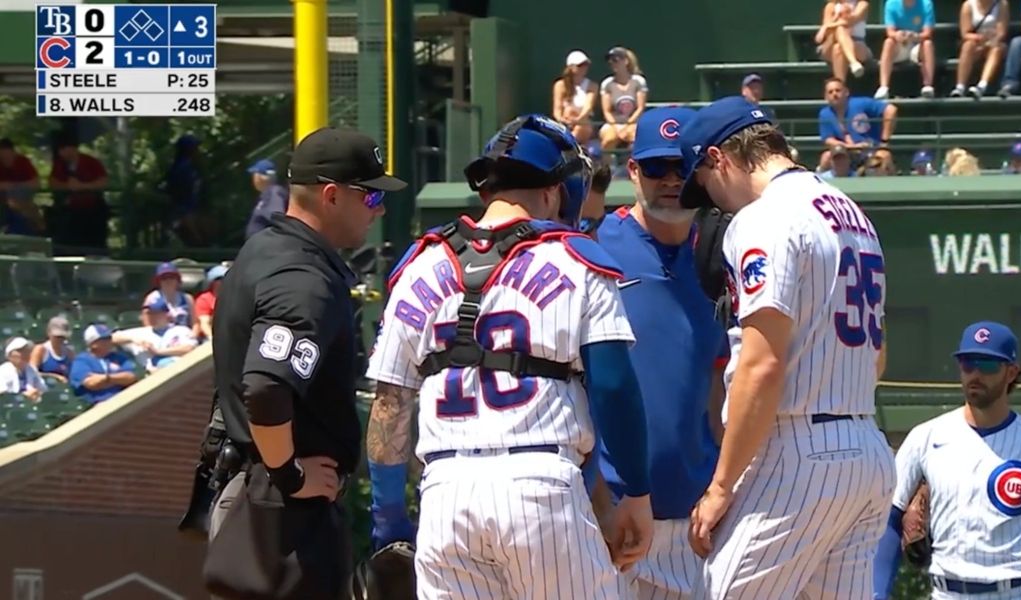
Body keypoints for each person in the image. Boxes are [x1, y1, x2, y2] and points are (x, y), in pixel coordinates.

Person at [364, 114, 654, 599]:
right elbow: (613, 387)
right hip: (540, 486)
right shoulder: (577, 257)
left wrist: (389, 522)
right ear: (558, 190)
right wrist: (635, 493)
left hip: (446, 491)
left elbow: (390, 405)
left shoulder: (418, 266)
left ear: (486, 190)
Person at [676, 95, 894, 599]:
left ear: (718, 158)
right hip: (866, 445)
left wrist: (721, 486)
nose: (713, 202)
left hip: (800, 450)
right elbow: (880, 356)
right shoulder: (852, 213)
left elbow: (762, 364)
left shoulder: (764, 217)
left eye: (706, 185)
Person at [205, 127, 404, 599]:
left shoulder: (263, 249)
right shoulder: (304, 276)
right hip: (281, 513)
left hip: (255, 494)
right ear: (332, 195)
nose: (379, 211)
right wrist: (291, 475)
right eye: (371, 197)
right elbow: (266, 386)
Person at [593, 107, 727, 599]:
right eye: (655, 168)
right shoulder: (594, 249)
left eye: (681, 167)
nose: (671, 180)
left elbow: (719, 385)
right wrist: (597, 498)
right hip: (613, 514)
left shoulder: (721, 256)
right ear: (633, 172)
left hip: (696, 520)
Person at [873, 321, 1021, 600]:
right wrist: (877, 592)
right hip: (947, 592)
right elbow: (889, 519)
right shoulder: (926, 437)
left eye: (988, 365)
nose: (975, 374)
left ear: (1012, 372)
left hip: (1019, 591)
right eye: (968, 364)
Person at [818, 77, 898, 173]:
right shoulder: (825, 114)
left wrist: (884, 140)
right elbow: (828, 140)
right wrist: (852, 147)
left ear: (846, 92)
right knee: (826, 157)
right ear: (826, 97)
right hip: (845, 152)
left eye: (838, 90)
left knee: (884, 156)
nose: (834, 94)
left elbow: (891, 110)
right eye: (830, 92)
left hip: (871, 150)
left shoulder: (861, 103)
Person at [113, 297, 200, 373]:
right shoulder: (140, 333)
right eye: (150, 313)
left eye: (156, 313)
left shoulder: (181, 330)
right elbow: (111, 338)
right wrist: (133, 339)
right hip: (150, 377)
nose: (152, 316)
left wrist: (158, 352)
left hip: (177, 372)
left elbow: (189, 348)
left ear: (166, 314)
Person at [876, 0, 937, 100]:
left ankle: (928, 86)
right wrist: (898, 35)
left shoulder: (927, 4)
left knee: (928, 43)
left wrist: (915, 36)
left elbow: (927, 33)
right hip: (899, 46)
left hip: (917, 45)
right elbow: (890, 32)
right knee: (888, 42)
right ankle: (883, 87)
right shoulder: (891, 4)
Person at [952, 0, 1009, 100]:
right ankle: (960, 87)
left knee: (996, 48)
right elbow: (965, 34)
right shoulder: (968, 5)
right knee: (967, 46)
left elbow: (1001, 32)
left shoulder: (1001, 4)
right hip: (976, 43)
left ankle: (982, 86)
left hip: (993, 42)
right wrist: (980, 39)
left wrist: (992, 41)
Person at [68, 324, 138, 405]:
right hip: (97, 404)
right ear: (93, 343)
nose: (110, 341)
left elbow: (131, 377)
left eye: (109, 338)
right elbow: (91, 383)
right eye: (105, 339)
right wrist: (118, 380)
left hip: (122, 400)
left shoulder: (117, 357)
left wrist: (106, 378)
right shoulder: (82, 361)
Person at [599, 46, 649, 150]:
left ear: (625, 61)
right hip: (613, 124)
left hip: (634, 123)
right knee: (608, 140)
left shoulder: (638, 81)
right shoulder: (607, 83)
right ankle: (608, 166)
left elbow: (640, 108)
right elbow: (607, 111)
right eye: (610, 61)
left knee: (636, 139)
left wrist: (628, 125)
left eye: (615, 60)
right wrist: (615, 127)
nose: (612, 63)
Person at [815, 0, 871, 81]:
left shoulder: (862, 4)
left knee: (838, 48)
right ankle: (853, 62)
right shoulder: (830, 6)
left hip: (857, 44)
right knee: (840, 30)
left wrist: (827, 26)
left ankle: (840, 85)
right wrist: (836, 18)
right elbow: (825, 34)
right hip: (830, 43)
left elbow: (851, 21)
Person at [553, 50, 599, 145]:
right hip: (564, 123)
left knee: (580, 127)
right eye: (580, 65)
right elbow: (557, 110)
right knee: (568, 111)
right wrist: (563, 120)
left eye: (586, 65)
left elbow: (587, 108)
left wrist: (577, 120)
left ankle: (568, 145)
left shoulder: (592, 86)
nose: (584, 68)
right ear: (571, 67)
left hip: (584, 124)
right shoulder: (560, 85)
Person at [142, 262, 196, 329]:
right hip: (160, 335)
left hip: (182, 335)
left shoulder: (187, 298)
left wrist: (193, 335)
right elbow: (147, 324)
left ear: (177, 280)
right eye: (164, 278)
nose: (168, 280)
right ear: (159, 281)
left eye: (172, 277)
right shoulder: (152, 298)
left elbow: (195, 324)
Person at [245, 158, 289, 240]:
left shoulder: (274, 193)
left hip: (266, 247)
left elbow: (277, 217)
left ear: (259, 177)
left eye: (254, 175)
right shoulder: (266, 194)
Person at [0, 337, 47, 401]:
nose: (25, 354)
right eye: (20, 351)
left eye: (27, 351)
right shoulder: (3, 371)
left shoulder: (32, 370)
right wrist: (24, 396)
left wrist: (37, 393)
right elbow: (2, 396)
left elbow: (43, 390)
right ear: (10, 354)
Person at [31, 316, 75, 383]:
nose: (60, 340)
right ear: (49, 333)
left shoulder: (69, 352)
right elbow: (31, 373)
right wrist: (54, 377)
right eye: (57, 337)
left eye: (62, 337)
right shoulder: (41, 350)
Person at [194, 265, 227, 342]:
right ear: (212, 282)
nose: (224, 282)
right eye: (220, 279)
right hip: (209, 339)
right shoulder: (204, 299)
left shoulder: (235, 297)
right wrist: (212, 338)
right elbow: (204, 323)